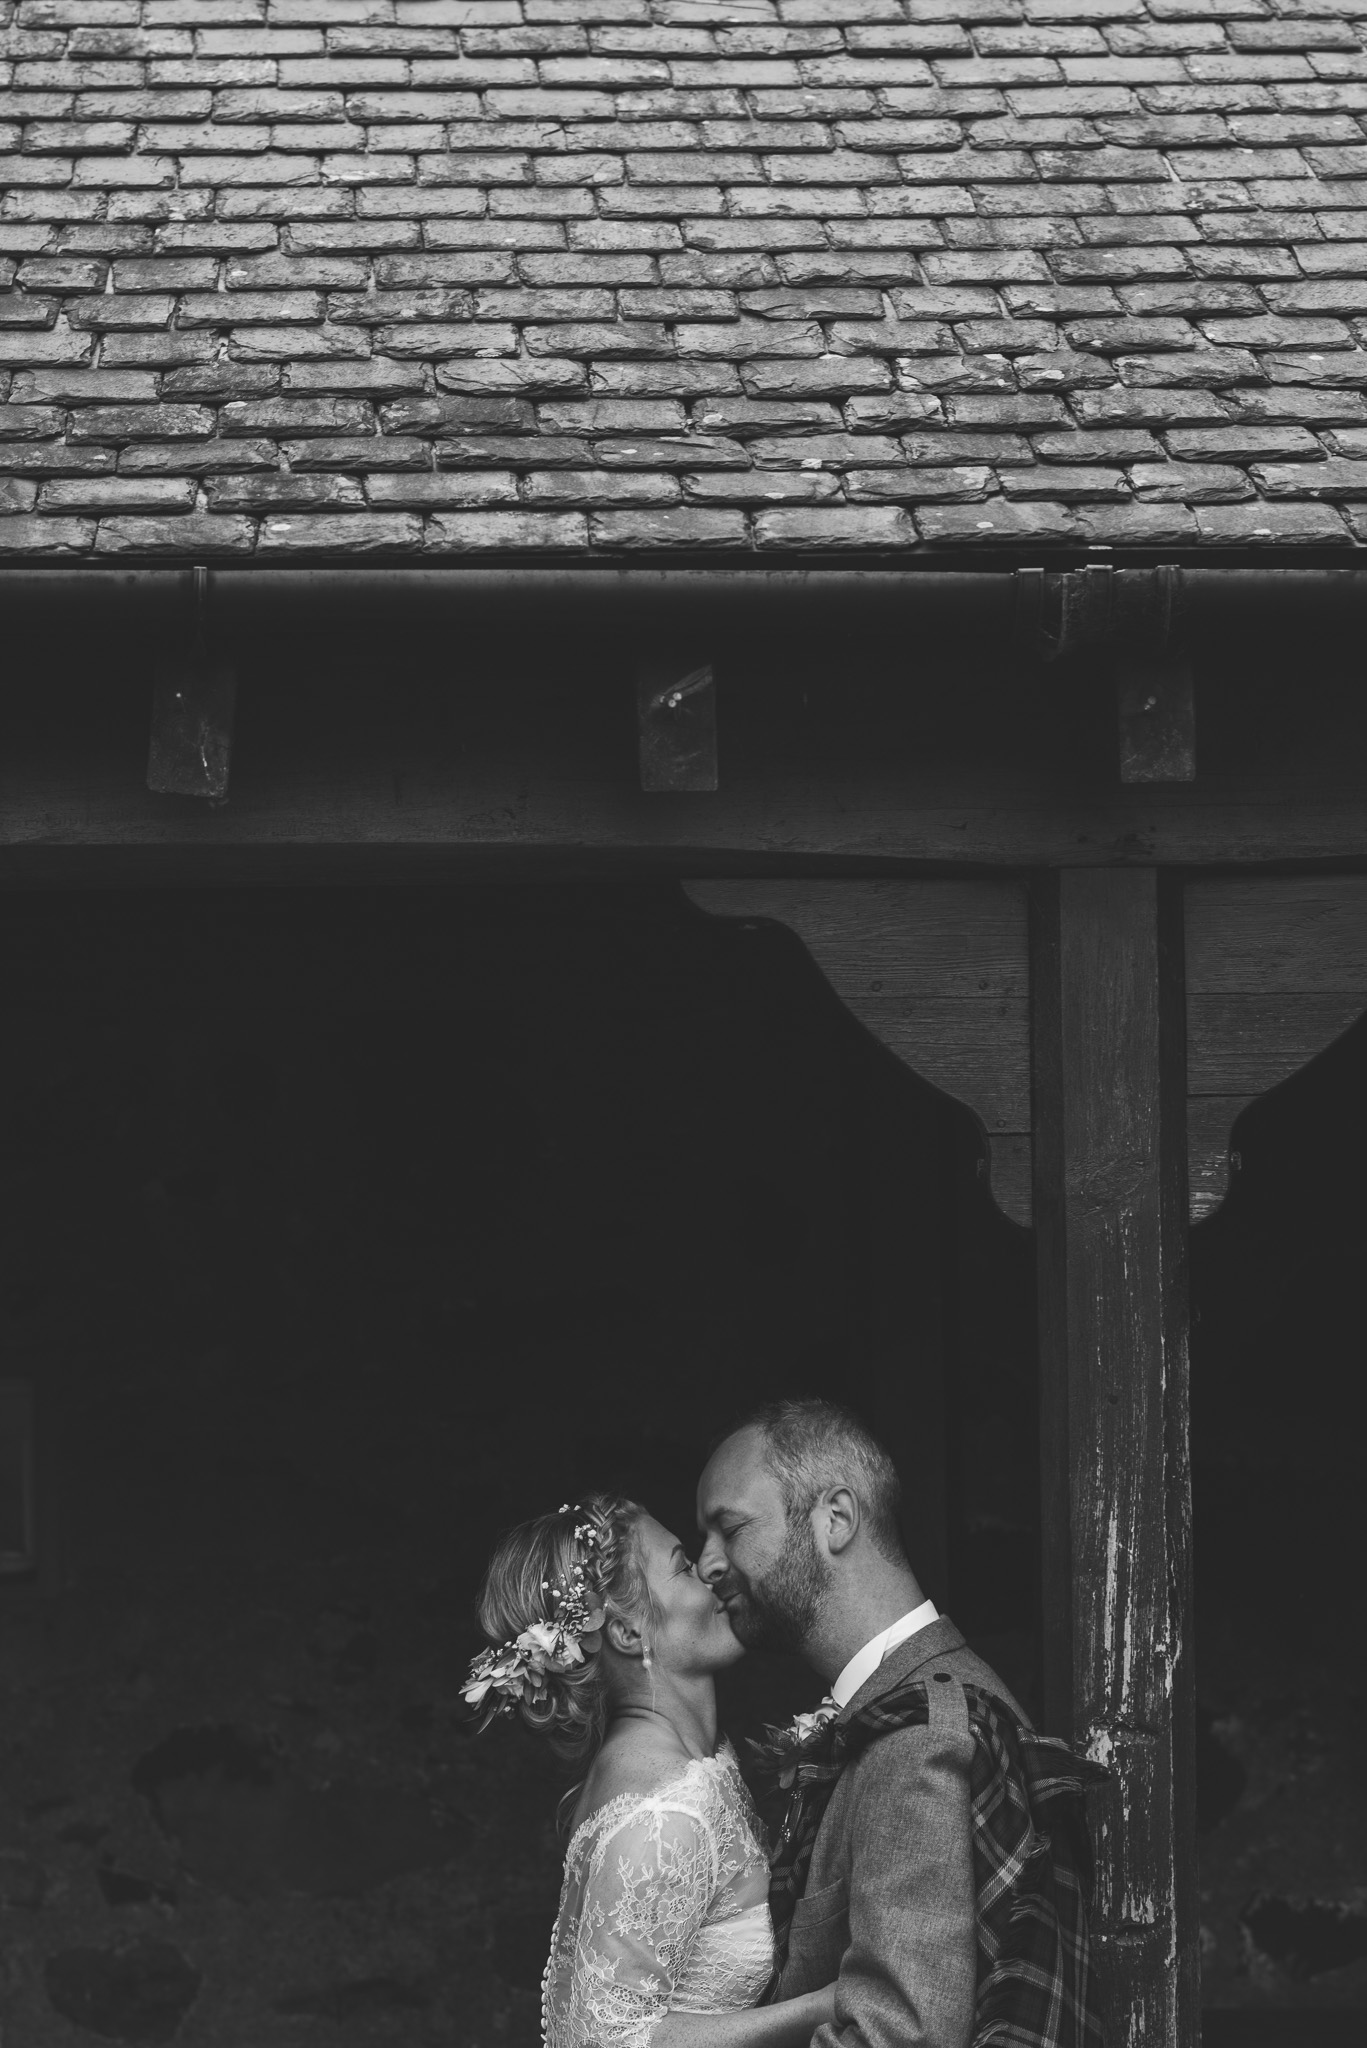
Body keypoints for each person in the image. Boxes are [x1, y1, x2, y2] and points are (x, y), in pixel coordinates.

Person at [697, 1400, 1104, 2048]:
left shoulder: (916, 1742)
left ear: (835, 1519)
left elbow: (894, 2039)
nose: (706, 1564)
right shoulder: (914, 1706)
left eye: (729, 1528)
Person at [464, 1493, 837, 2048]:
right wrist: (825, 2006)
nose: (714, 1573)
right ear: (629, 1633)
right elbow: (604, 2041)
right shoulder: (662, 1815)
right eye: (684, 1566)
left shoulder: (693, 1765)